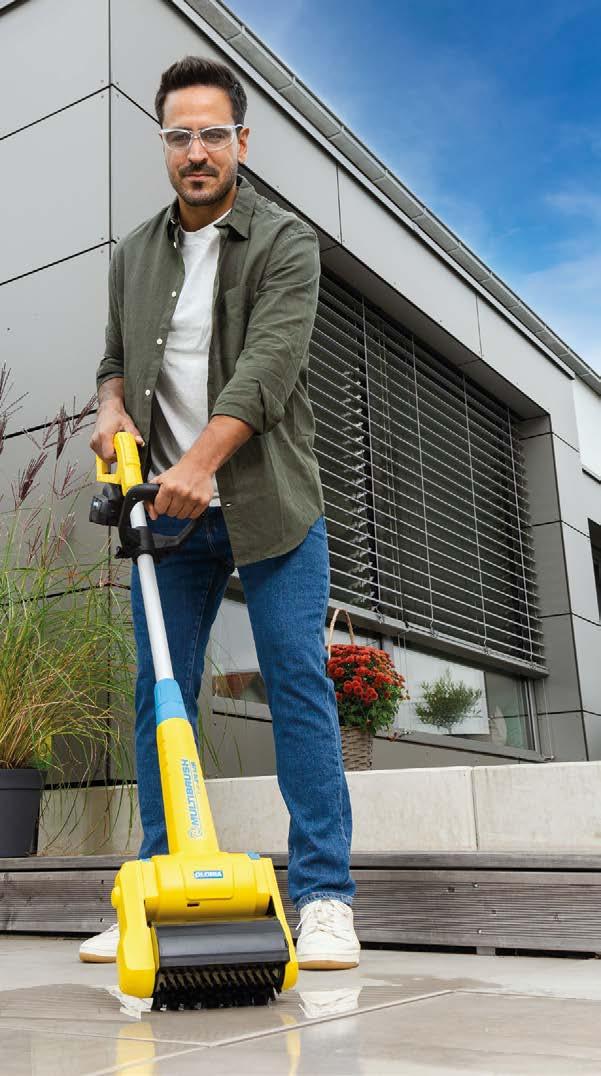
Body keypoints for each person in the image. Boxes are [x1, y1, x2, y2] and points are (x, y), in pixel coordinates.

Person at [80, 56, 359, 970]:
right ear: (162, 144)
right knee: (159, 693)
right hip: (162, 513)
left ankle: (323, 897)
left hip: (268, 499)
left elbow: (270, 367)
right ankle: (160, 882)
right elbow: (114, 360)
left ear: (241, 140)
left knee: (295, 681)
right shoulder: (133, 253)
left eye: (211, 134)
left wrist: (200, 464)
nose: (194, 152)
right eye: (178, 135)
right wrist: (109, 408)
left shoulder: (284, 242)